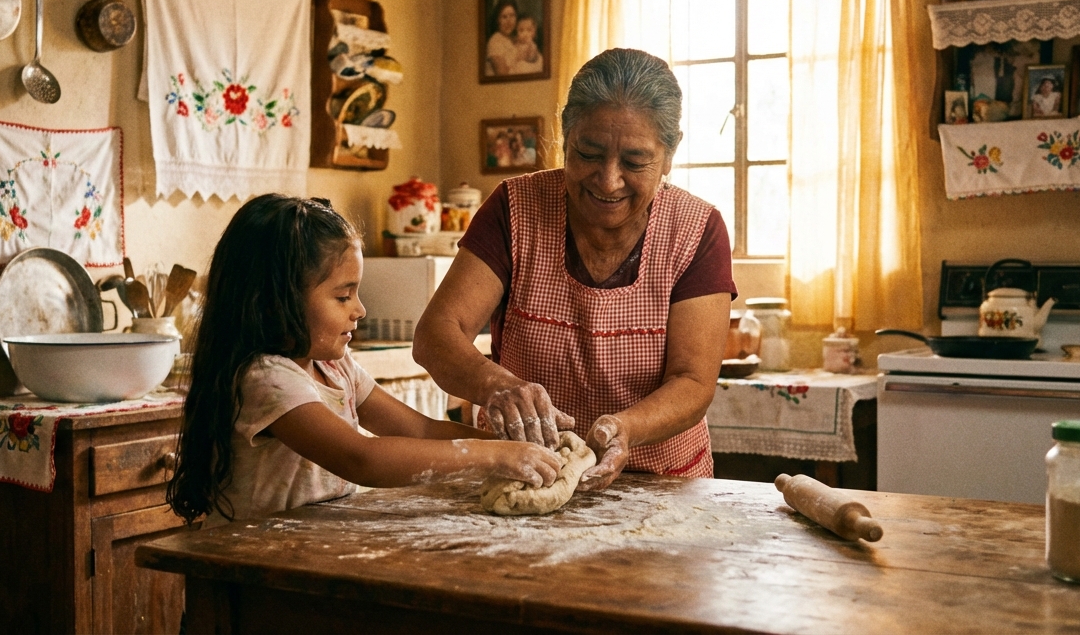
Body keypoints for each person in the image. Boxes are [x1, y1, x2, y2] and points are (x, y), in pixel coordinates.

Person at [414, 48, 736, 490]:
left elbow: (693, 381)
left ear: (669, 154)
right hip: (527, 472)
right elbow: (436, 335)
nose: (608, 180)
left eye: (634, 162)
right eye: (588, 153)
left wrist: (625, 429)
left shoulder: (697, 229)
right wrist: (496, 385)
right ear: (565, 137)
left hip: (660, 482)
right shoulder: (515, 208)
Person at [166, 195, 561, 524]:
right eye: (343, 296)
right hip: (251, 569)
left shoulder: (335, 368)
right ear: (275, 301)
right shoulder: (265, 379)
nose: (360, 310)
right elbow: (361, 458)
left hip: (307, 556)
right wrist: (495, 457)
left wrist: (516, 449)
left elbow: (419, 430)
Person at [485, 0, 520, 76]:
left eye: (512, 15)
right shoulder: (495, 41)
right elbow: (503, 76)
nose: (509, 21)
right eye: (504, 17)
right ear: (498, 20)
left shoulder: (515, 39)